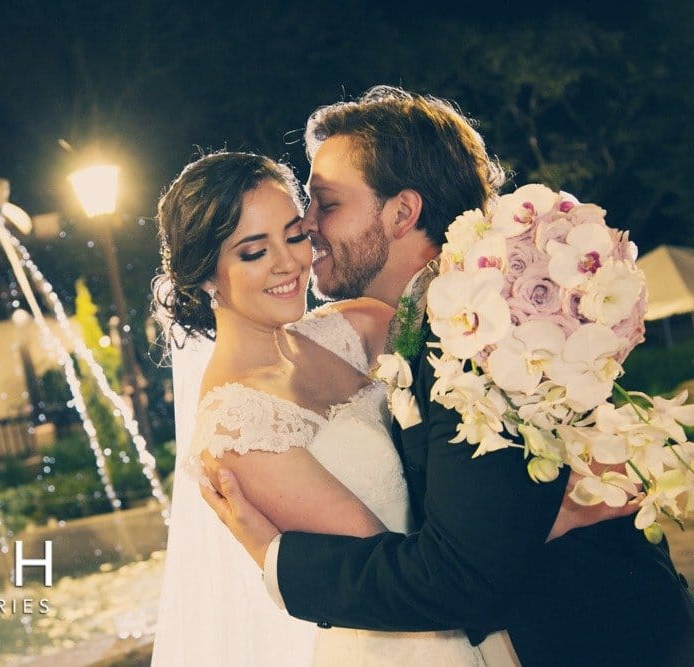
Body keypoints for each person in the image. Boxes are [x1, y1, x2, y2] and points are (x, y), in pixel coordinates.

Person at [200, 86, 694, 666]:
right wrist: (545, 517)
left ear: (402, 212)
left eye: (326, 204)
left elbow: (459, 575)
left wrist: (275, 558)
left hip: (593, 638)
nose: (306, 228)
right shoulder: (433, 317)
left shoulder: (474, 333)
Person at [151, 150, 485, 665]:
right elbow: (389, 573)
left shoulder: (355, 329)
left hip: (470, 599)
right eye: (253, 252)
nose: (289, 263)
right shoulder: (238, 427)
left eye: (292, 235)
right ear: (206, 275)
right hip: (406, 643)